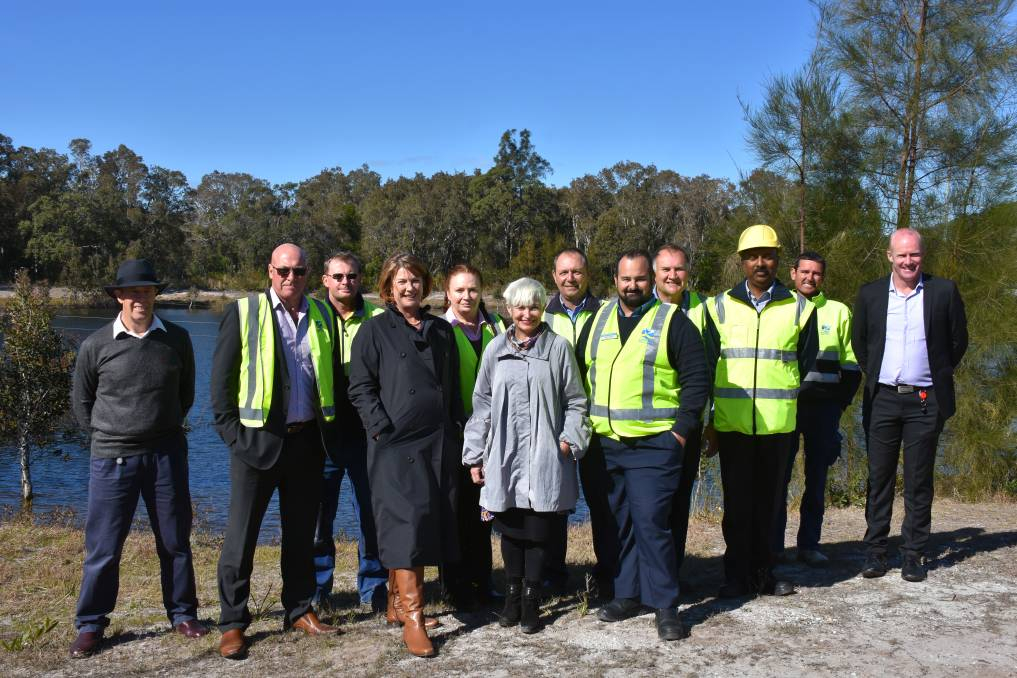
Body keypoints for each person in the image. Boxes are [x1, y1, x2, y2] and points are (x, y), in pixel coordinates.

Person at [69, 259, 207, 658]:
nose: (139, 298)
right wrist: (112, 433)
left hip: (166, 454)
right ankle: (91, 624)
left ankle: (182, 613)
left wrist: (159, 430)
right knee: (104, 546)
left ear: (154, 295)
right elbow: (82, 402)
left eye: (146, 291)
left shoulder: (176, 339)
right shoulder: (96, 344)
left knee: (175, 541)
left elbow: (186, 395)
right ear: (118, 296)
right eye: (131, 292)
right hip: (112, 458)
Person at [211, 243, 340, 660]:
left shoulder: (322, 314)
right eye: (283, 270)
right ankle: (232, 623)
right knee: (240, 538)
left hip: (306, 444)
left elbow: (331, 373)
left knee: (301, 535)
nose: (291, 277)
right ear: (269, 271)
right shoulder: (244, 312)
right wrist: (235, 437)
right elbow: (220, 386)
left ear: (308, 273)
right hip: (256, 444)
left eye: (299, 271)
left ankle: (299, 609)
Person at [576, 250, 709, 641]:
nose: (632, 286)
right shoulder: (598, 319)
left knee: (652, 523)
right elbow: (579, 374)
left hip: (655, 445)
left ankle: (666, 606)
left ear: (650, 280)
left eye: (639, 279)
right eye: (625, 279)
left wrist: (679, 435)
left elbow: (697, 382)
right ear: (614, 280)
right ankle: (627, 594)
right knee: (619, 524)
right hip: (606, 444)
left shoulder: (673, 321)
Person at [348, 253, 464, 658]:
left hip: (436, 444)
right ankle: (414, 619)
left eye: (416, 280)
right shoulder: (373, 331)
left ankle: (397, 607)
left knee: (426, 522)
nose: (410, 287)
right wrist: (381, 428)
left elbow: (451, 388)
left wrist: (455, 430)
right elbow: (359, 388)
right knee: (406, 527)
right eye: (401, 281)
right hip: (394, 448)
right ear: (388, 288)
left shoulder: (441, 331)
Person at [463, 277, 591, 634]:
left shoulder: (558, 349)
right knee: (511, 531)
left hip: (544, 456)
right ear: (508, 310)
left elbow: (576, 401)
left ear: (541, 307)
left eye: (533, 306)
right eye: (519, 307)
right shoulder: (495, 350)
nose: (526, 313)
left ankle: (532, 601)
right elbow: (482, 403)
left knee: (537, 531)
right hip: (504, 456)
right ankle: (512, 598)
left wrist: (568, 440)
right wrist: (474, 454)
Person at [704, 225, 818, 600]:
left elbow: (804, 361)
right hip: (733, 425)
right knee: (736, 507)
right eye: (752, 256)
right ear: (742, 262)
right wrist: (710, 423)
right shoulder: (717, 307)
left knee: (771, 505)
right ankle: (735, 577)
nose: (760, 262)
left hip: (778, 426)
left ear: (777, 260)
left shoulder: (800, 308)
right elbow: (706, 367)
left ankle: (765, 575)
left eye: (767, 255)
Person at [852, 228, 967, 582]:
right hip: (883, 398)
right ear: (889, 256)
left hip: (924, 400)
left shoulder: (943, 291)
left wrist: (936, 378)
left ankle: (913, 553)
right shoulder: (870, 294)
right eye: (901, 255)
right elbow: (860, 344)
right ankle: (875, 552)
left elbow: (957, 341)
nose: (908, 261)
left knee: (919, 480)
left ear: (922, 255)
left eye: (914, 254)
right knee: (879, 477)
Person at [772, 251, 861, 566]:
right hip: (785, 407)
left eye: (817, 273)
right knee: (778, 479)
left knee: (817, 479)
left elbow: (851, 364)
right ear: (793, 273)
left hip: (823, 409)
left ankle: (809, 545)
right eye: (804, 272)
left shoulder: (838, 312)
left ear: (823, 277)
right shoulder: (780, 309)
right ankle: (774, 547)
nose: (810, 278)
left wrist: (839, 405)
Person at [313, 251, 387, 611]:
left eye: (352, 276)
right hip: (322, 436)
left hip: (366, 435)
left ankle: (374, 588)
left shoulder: (379, 318)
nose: (346, 282)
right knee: (319, 519)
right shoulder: (309, 315)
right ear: (325, 280)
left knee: (371, 516)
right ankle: (318, 590)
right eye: (338, 276)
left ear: (361, 279)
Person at [542, 247, 615, 598]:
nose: (571, 278)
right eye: (564, 272)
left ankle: (608, 572)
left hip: (597, 422)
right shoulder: (541, 315)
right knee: (553, 503)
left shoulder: (607, 314)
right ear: (554, 277)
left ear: (588, 275)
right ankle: (552, 574)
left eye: (577, 272)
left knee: (603, 503)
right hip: (552, 426)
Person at [439, 264, 507, 610]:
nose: (467, 297)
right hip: (454, 437)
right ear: (447, 293)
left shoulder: (497, 327)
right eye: (459, 290)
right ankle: (455, 588)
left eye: (473, 290)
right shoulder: (439, 329)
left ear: (482, 291)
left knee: (484, 512)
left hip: (492, 437)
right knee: (454, 514)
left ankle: (484, 582)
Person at [653, 244, 710, 583]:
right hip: (647, 424)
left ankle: (672, 572)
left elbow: (714, 368)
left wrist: (710, 422)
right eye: (666, 270)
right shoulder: (641, 310)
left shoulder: (705, 311)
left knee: (678, 500)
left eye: (679, 269)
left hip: (686, 424)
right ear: (655, 275)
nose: (673, 276)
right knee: (647, 506)